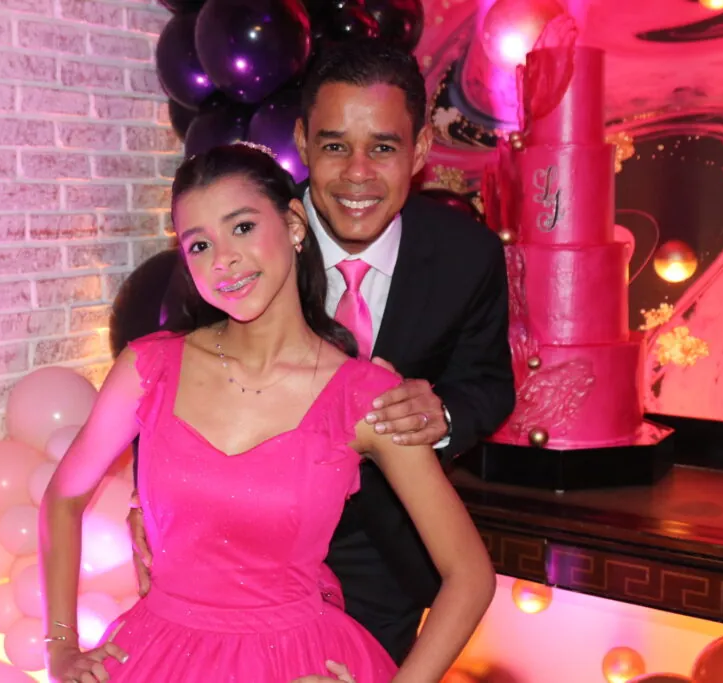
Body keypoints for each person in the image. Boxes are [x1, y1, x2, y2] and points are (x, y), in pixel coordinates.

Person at [39, 143, 495, 682]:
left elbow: (469, 575)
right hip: (155, 657)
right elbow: (62, 497)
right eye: (200, 244)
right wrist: (61, 645)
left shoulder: (362, 395)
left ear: (294, 224)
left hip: (297, 660)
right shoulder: (148, 367)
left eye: (242, 227)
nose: (223, 260)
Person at [128, 41, 517, 668]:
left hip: (385, 551)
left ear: (419, 150)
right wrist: (147, 500)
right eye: (335, 146)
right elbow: (174, 372)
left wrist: (439, 414)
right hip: (231, 560)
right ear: (303, 143)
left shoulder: (466, 255)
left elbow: (490, 383)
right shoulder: (238, 236)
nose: (357, 174)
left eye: (383, 148)